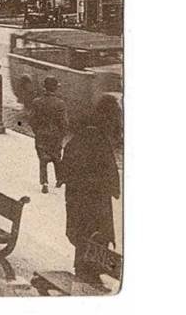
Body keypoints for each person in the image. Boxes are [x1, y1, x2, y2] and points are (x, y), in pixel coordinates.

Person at [58, 102, 121, 284]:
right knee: (96, 235)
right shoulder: (100, 142)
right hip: (97, 201)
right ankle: (91, 273)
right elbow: (111, 173)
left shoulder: (78, 139)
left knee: (82, 233)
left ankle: (82, 268)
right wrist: (112, 189)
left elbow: (64, 171)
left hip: (77, 200)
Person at [29, 76, 69, 193]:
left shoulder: (36, 102)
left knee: (43, 158)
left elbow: (32, 120)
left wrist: (37, 131)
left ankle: (44, 182)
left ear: (44, 87)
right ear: (56, 88)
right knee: (57, 156)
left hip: (41, 133)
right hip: (55, 135)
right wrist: (61, 134)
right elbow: (64, 122)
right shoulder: (60, 103)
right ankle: (59, 179)